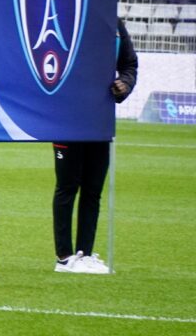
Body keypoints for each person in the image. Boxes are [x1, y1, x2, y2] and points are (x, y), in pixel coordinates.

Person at [52, 17, 137, 274]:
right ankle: (64, 257)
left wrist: (125, 83)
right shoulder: (68, 22)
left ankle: (85, 254)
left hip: (100, 119)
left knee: (93, 189)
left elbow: (129, 64)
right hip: (67, 119)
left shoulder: (115, 26)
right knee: (67, 187)